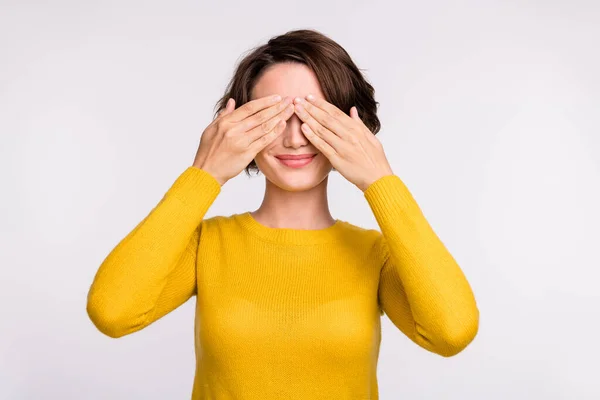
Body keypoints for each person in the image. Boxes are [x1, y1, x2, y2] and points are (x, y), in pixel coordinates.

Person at [86, 28, 479, 399]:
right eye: (272, 118)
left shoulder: (375, 254)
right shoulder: (208, 244)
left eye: (314, 118)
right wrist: (203, 174)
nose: (293, 138)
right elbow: (112, 312)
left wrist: (381, 181)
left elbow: (452, 332)